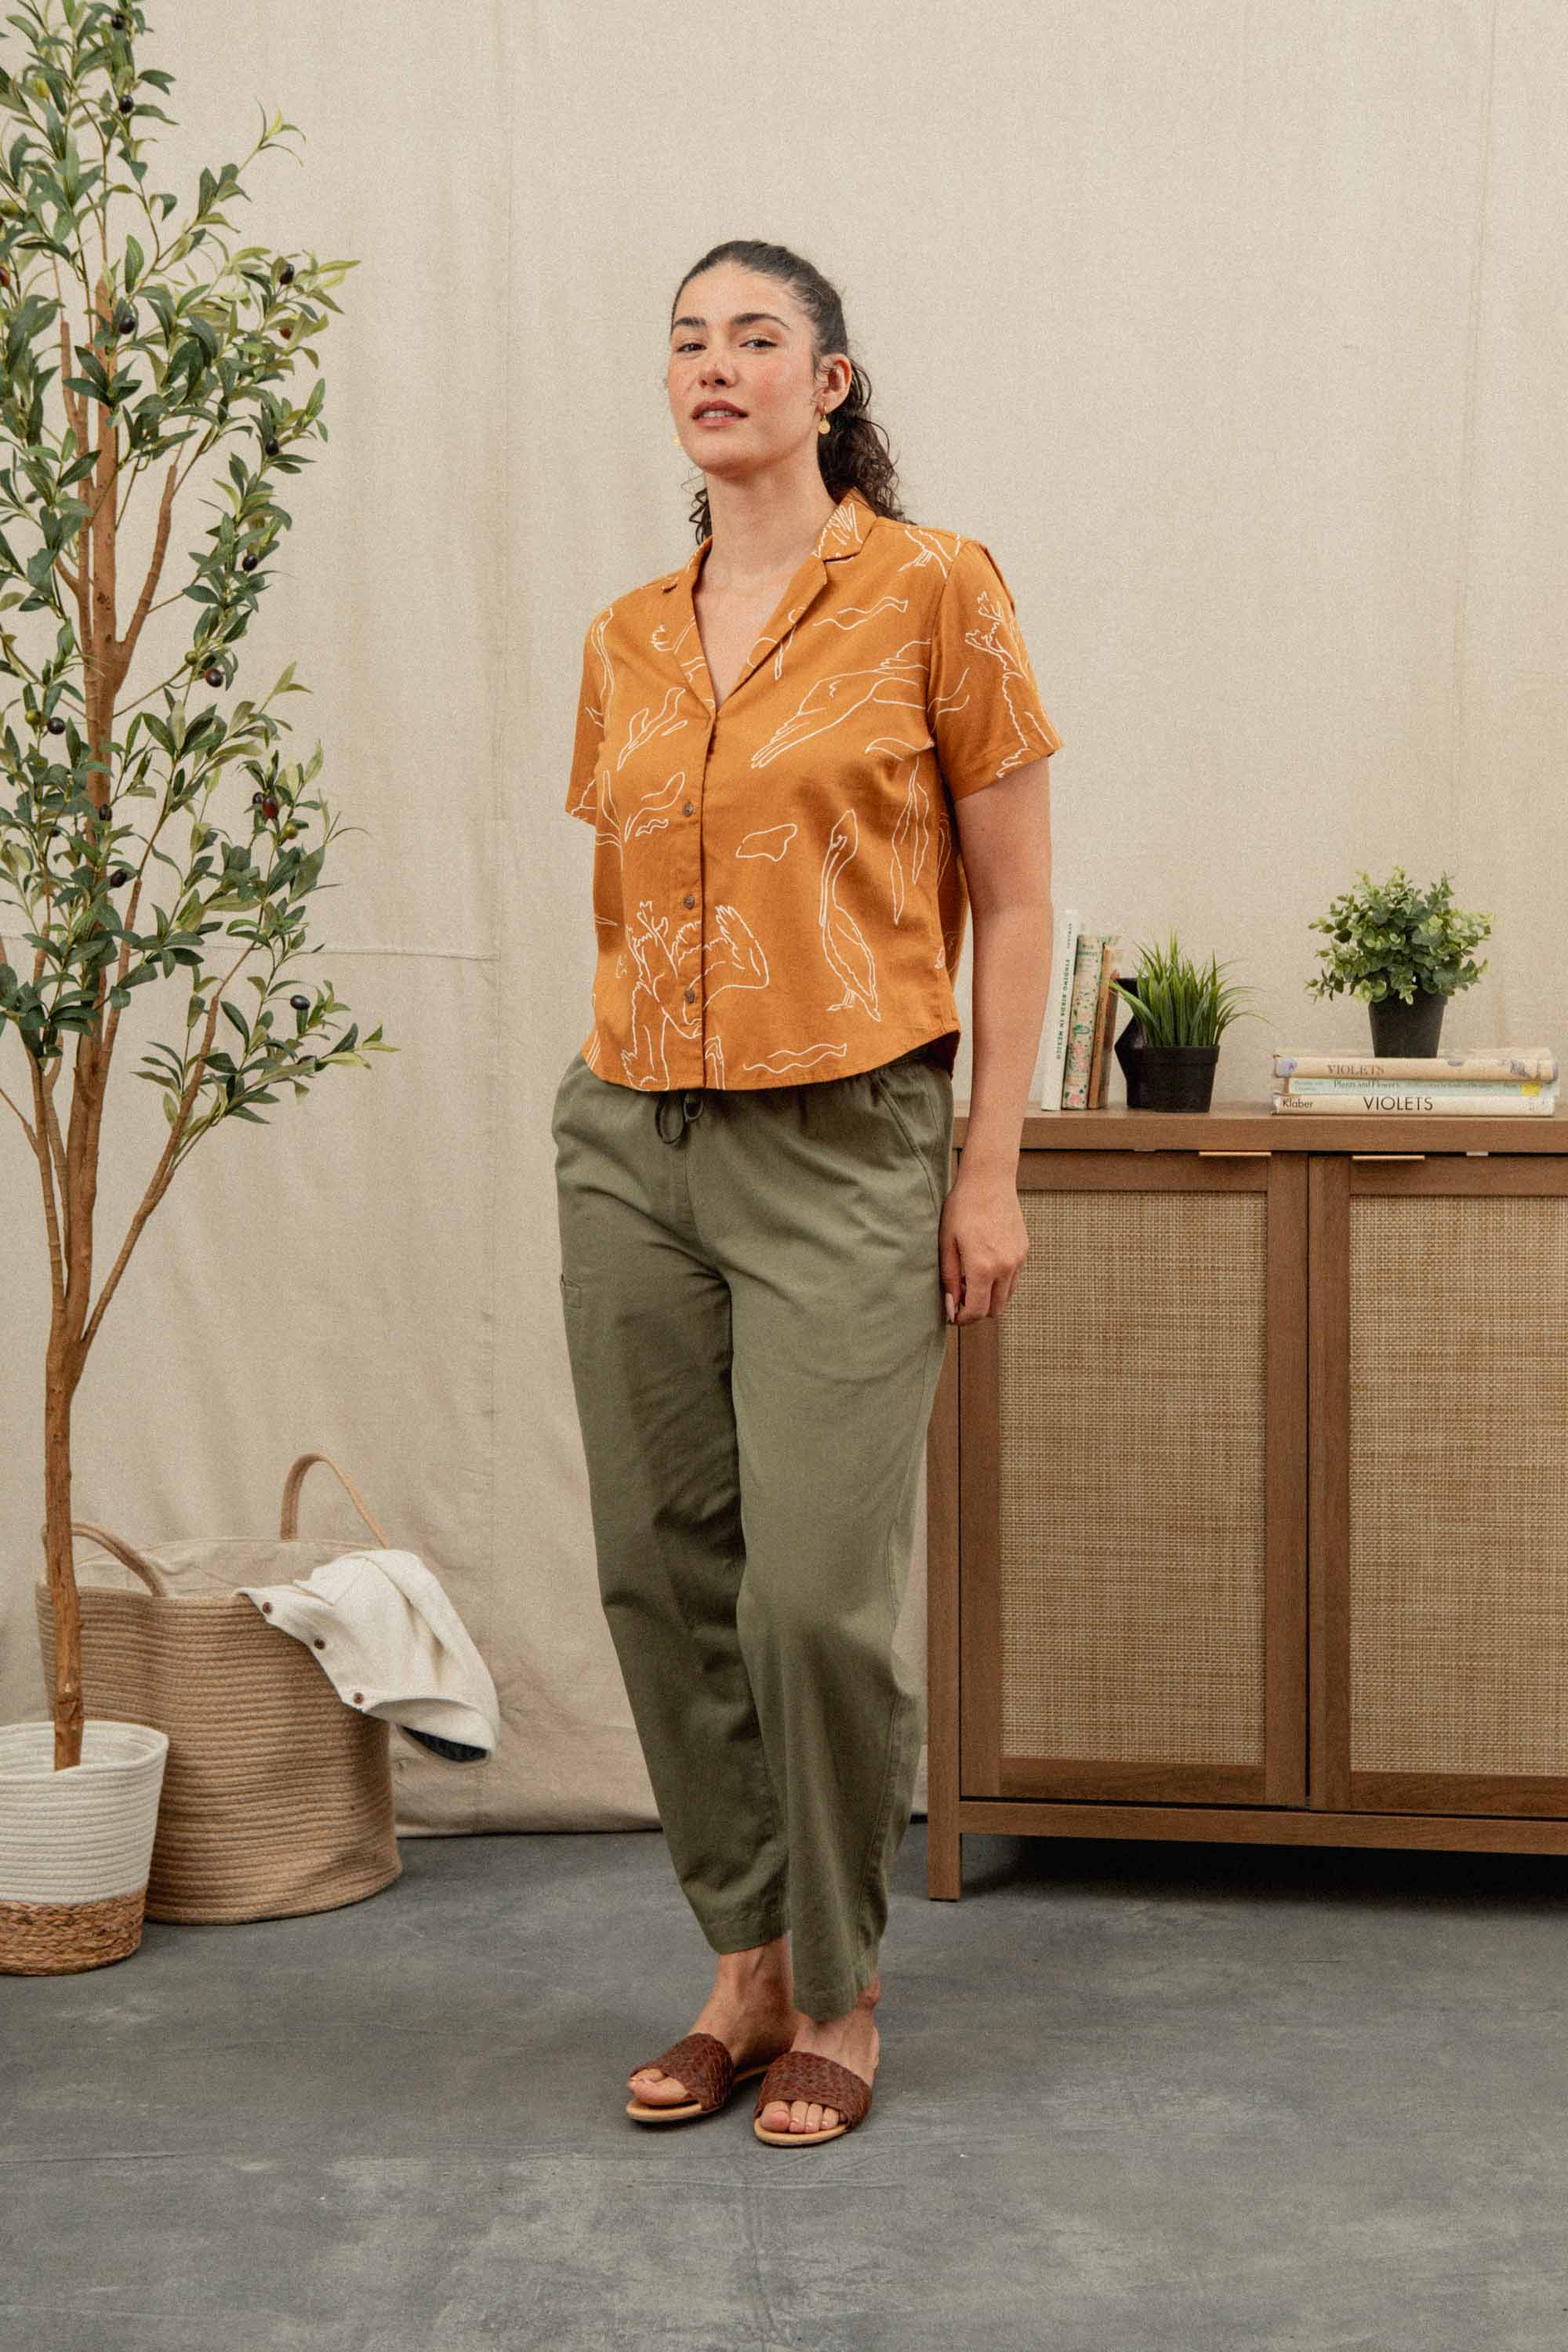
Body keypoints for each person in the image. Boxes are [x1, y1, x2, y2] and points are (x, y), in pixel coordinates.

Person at [551, 238, 1062, 2147]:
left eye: (756, 336)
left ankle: (840, 1991)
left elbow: (1012, 899)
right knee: (659, 1570)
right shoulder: (623, 632)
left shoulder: (935, 589)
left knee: (817, 1600)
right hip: (631, 1135)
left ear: (830, 383)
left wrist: (982, 1165)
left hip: (849, 1138)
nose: (715, 364)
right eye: (686, 339)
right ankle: (743, 1969)